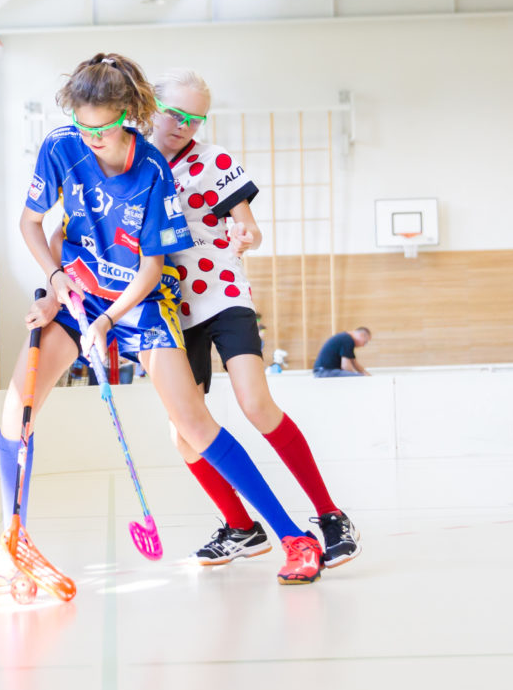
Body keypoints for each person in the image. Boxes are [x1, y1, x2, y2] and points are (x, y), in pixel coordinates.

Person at [0, 53, 325, 587]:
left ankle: (293, 538)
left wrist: (109, 320)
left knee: (193, 425)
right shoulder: (59, 146)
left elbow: (150, 267)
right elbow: (33, 224)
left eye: (105, 127)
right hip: (77, 293)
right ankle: (11, 542)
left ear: (129, 113)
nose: (92, 138)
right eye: (82, 125)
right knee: (17, 411)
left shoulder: (152, 171)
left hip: (139, 300)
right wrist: (54, 282)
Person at [147, 68, 361, 568]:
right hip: (168, 309)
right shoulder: (132, 165)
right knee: (182, 430)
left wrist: (247, 237)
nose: (184, 125)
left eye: (195, 119)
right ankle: (241, 528)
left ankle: (329, 514)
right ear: (152, 106)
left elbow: (249, 228)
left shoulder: (214, 162)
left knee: (255, 403)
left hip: (221, 295)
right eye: (176, 113)